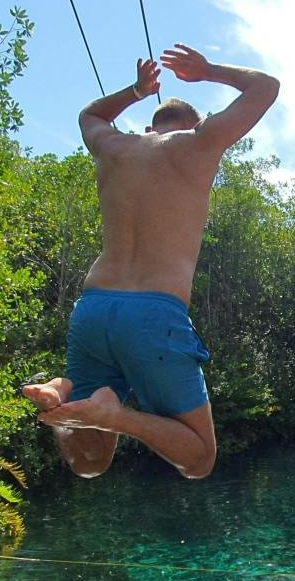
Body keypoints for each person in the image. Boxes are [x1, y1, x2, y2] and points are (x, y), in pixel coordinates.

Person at [21, 45, 280, 479]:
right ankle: (114, 415)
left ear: (147, 129)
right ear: (197, 126)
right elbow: (265, 87)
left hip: (94, 308)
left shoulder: (115, 147)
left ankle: (61, 393)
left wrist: (137, 90)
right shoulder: (200, 142)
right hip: (153, 313)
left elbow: (90, 116)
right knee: (199, 460)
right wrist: (207, 70)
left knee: (89, 463)